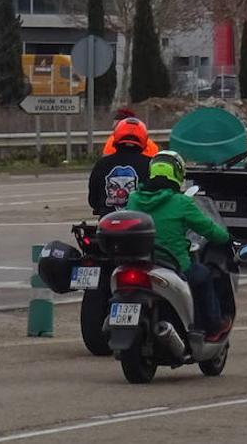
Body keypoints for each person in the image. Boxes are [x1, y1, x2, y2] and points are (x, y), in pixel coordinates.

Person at [125, 151, 232, 340]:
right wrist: (225, 237)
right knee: (204, 276)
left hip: (140, 260)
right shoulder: (181, 202)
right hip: (173, 263)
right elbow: (208, 228)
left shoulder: (134, 198)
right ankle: (214, 326)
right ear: (177, 174)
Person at [87, 117, 152, 216]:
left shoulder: (102, 164)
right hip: (140, 224)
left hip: (107, 225)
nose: (121, 192)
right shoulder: (150, 164)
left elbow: (93, 200)